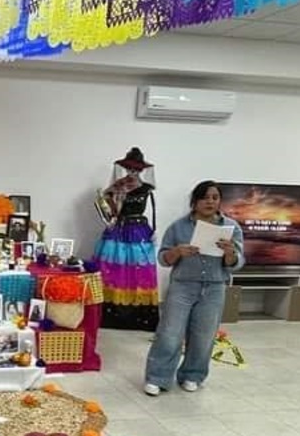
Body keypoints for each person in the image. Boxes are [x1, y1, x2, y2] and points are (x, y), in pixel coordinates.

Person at [144, 180, 244, 396]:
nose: (210, 202)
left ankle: (192, 375)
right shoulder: (178, 227)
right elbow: (163, 259)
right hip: (182, 286)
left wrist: (230, 253)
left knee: (204, 335)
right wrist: (177, 252)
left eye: (215, 198)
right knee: (170, 333)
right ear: (195, 201)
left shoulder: (231, 228)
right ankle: (157, 377)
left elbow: (237, 263)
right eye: (205, 197)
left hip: (215, 288)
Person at [95, 147, 159, 331]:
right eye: (130, 168)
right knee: (114, 268)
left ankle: (139, 317)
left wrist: (154, 231)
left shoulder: (146, 188)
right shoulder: (116, 187)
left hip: (138, 232)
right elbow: (108, 208)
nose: (133, 172)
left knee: (139, 270)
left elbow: (152, 209)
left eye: (136, 169)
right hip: (117, 231)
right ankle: (111, 315)